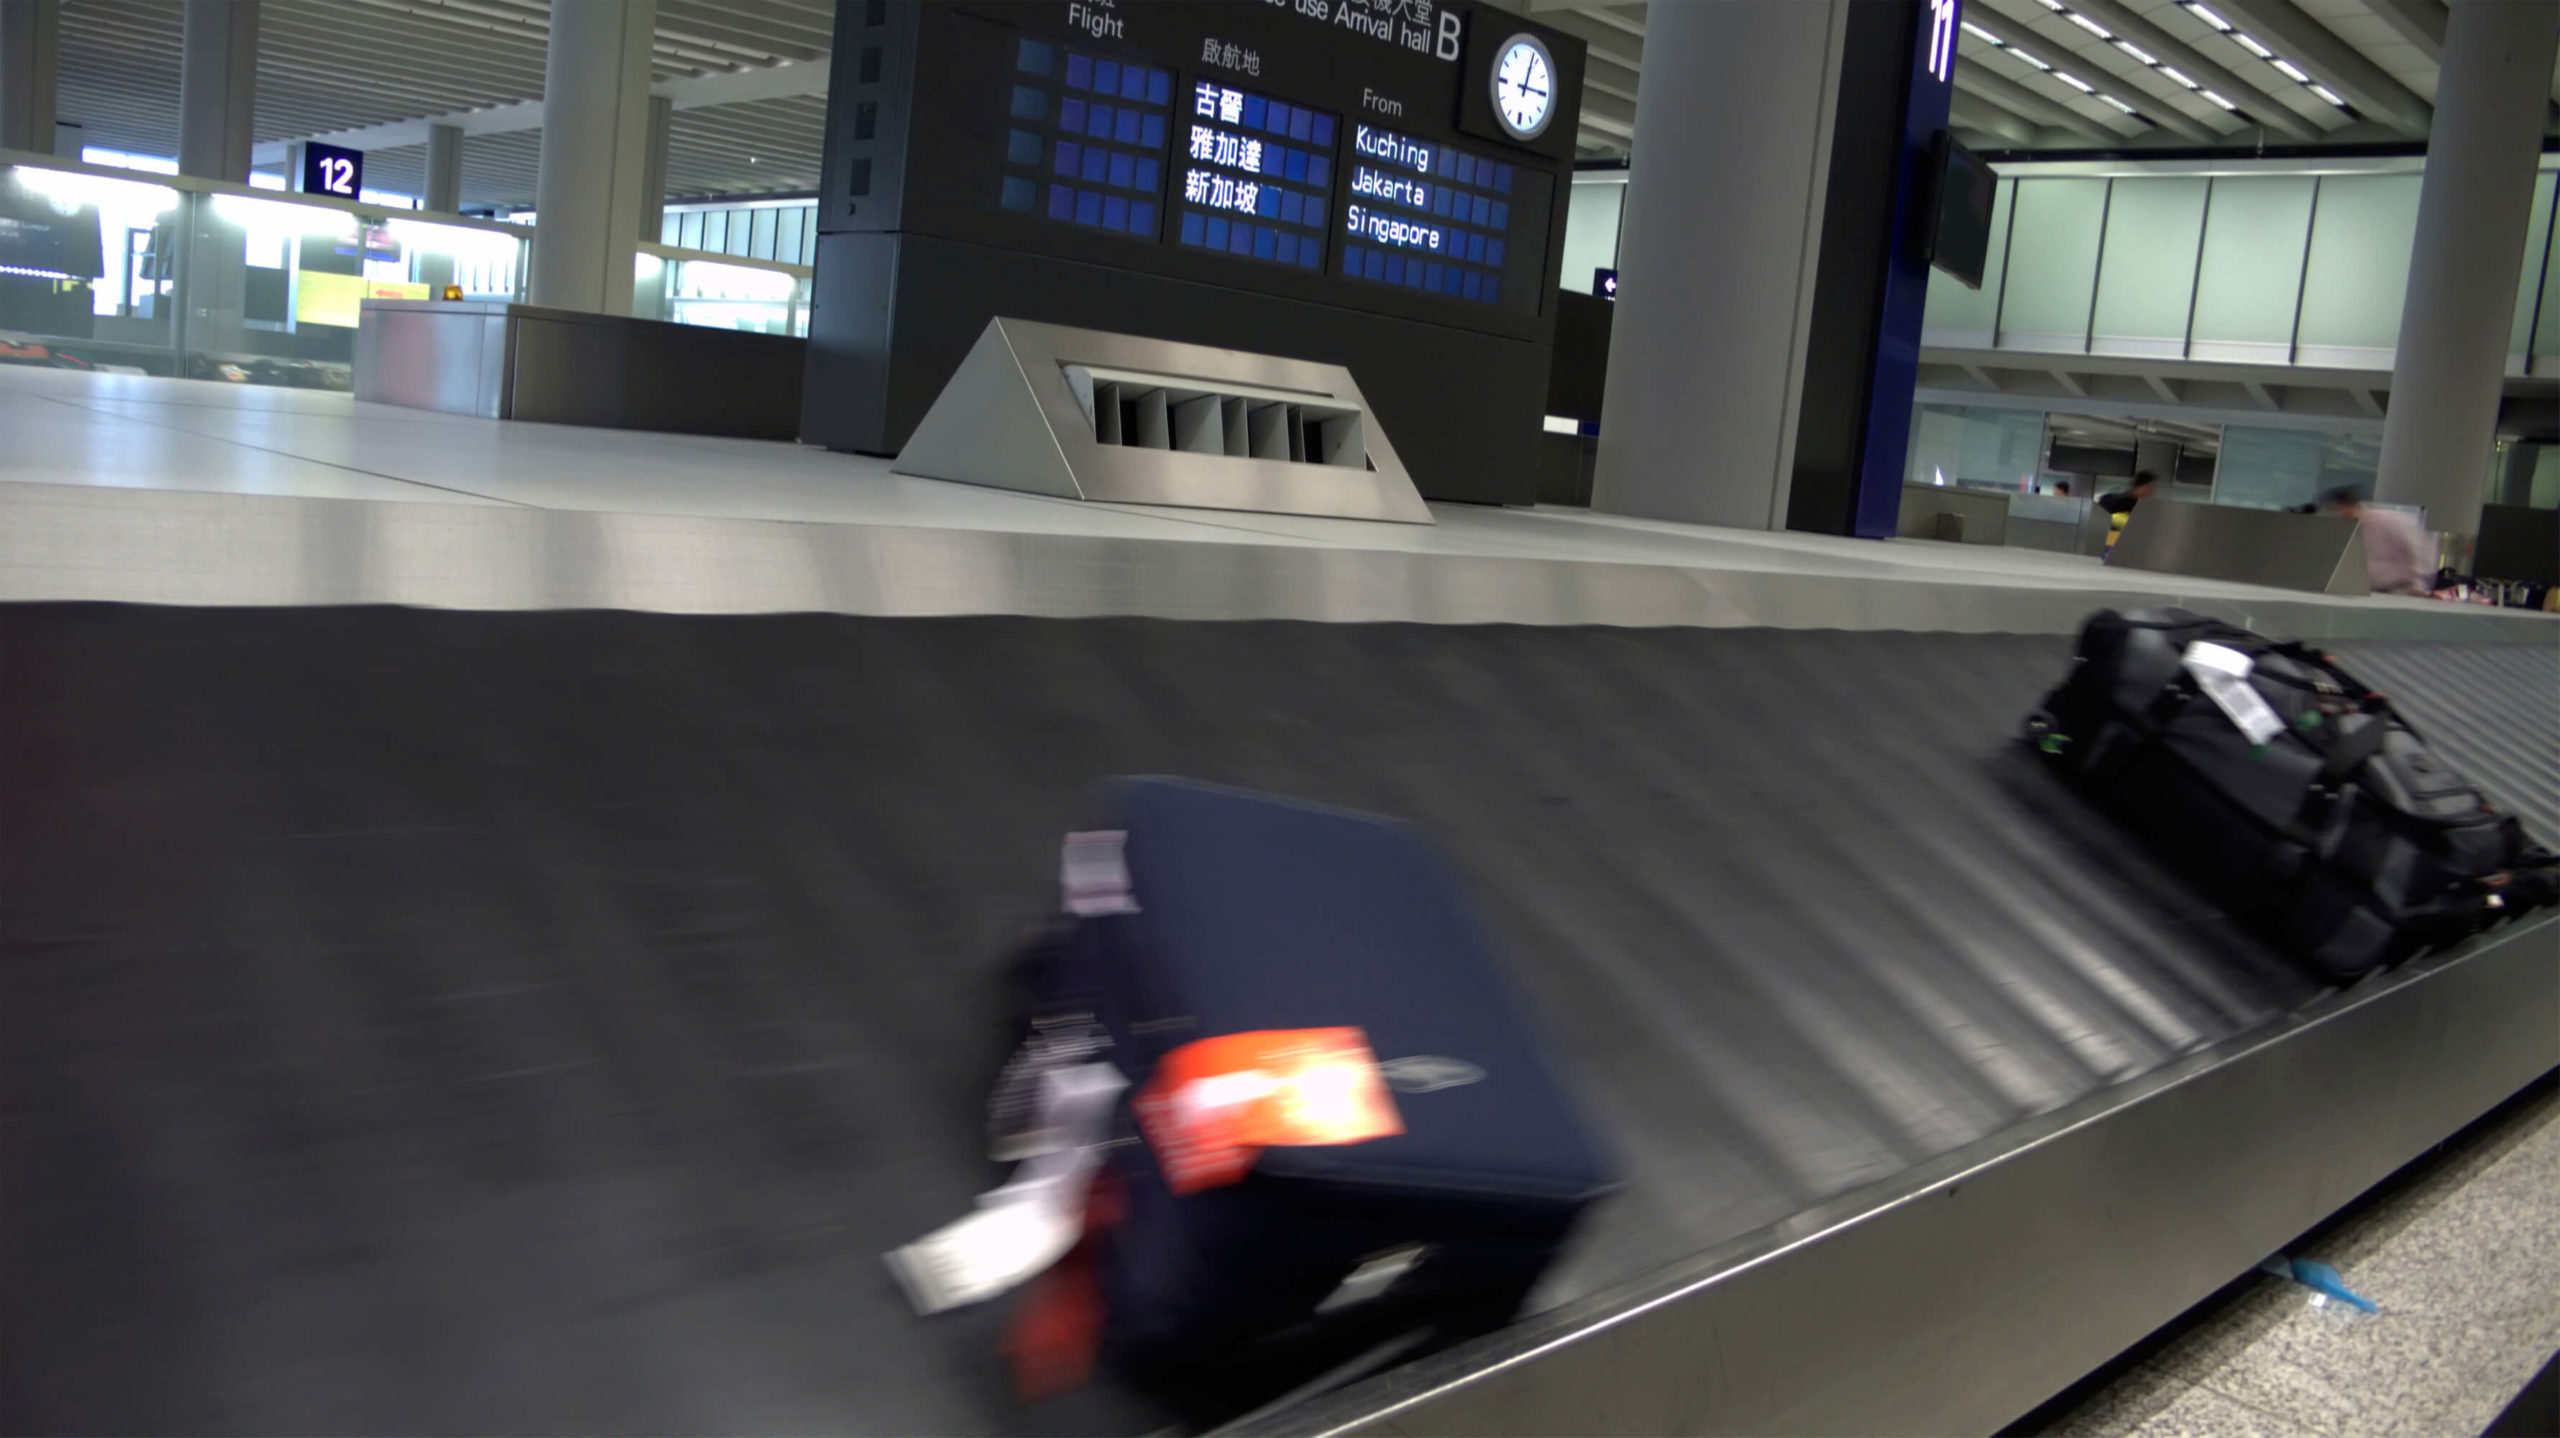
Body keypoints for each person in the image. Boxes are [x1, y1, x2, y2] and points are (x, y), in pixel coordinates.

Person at [2321, 486, 2434, 596]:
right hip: (2367, 590)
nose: (2337, 514)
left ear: (2349, 506)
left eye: (2337, 509)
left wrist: (2419, 587)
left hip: (2399, 590)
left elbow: (2420, 552)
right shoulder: (2347, 529)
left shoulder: (2391, 520)